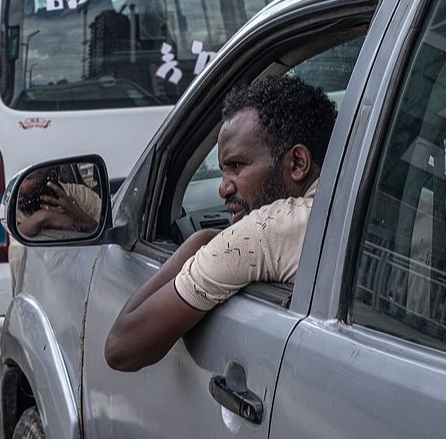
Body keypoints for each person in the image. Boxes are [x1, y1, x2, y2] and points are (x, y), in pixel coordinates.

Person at [104, 75, 337, 372]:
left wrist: (200, 242)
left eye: (237, 167)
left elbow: (121, 347)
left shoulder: (266, 232)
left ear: (297, 164)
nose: (223, 188)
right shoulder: (348, 212)